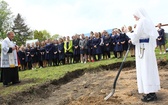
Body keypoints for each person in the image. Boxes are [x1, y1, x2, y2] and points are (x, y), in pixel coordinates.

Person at [128, 8, 160, 102]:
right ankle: (150, 91)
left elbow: (136, 35)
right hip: (145, 47)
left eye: (134, 15)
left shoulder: (142, 21)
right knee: (148, 68)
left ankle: (151, 93)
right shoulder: (146, 21)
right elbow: (141, 36)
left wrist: (127, 32)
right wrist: (134, 39)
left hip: (143, 48)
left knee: (146, 68)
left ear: (138, 14)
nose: (134, 17)